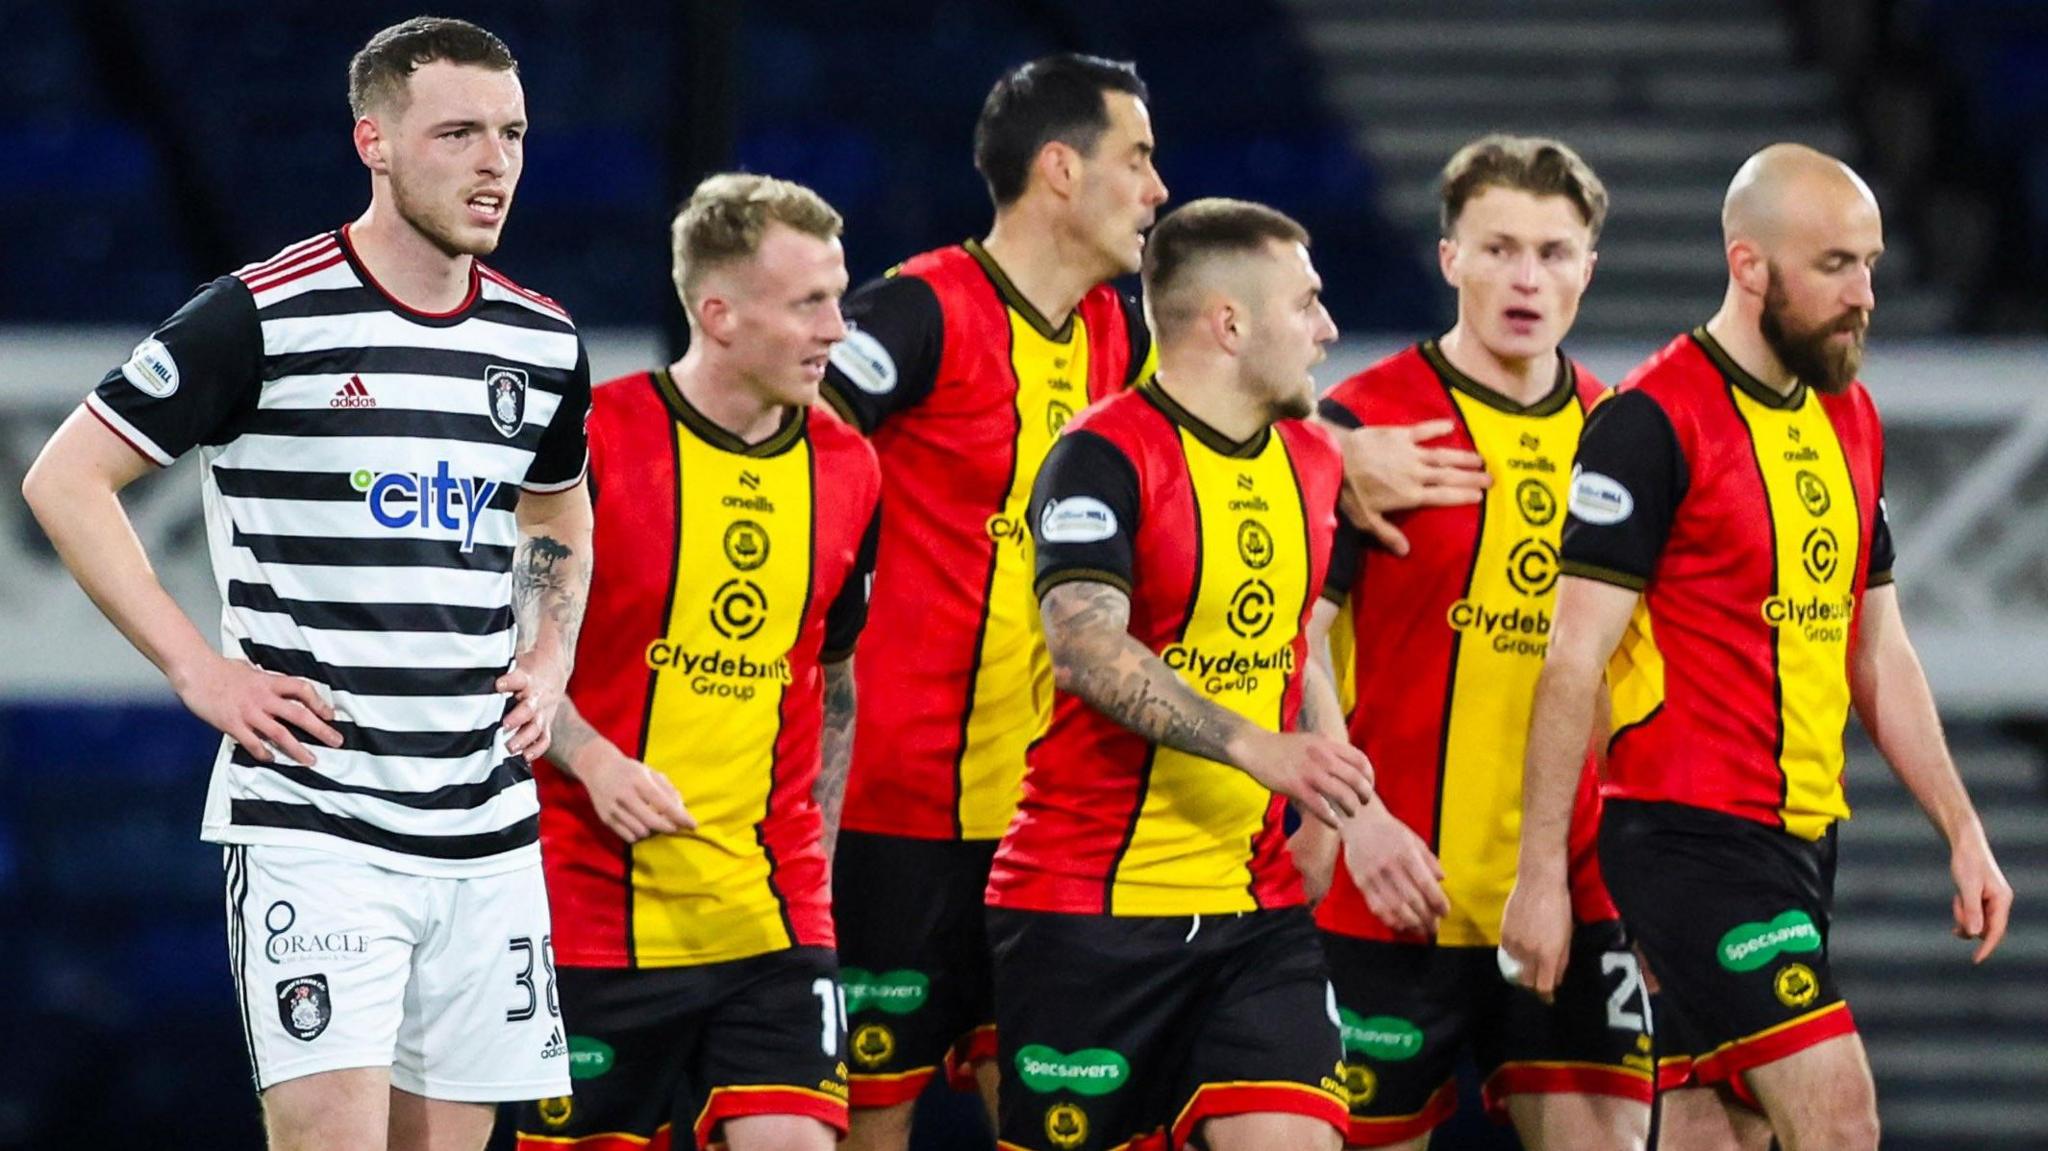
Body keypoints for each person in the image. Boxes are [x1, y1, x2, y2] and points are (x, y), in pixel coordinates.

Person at [820, 54, 1489, 1147]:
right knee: (868, 1120)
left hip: (1057, 818)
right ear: (1057, 170)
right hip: (903, 812)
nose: (1156, 187)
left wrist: (1335, 449)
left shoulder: (1110, 339)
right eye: (1134, 158)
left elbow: (1214, 404)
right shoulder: (920, 310)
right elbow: (799, 432)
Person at [21, 17, 592, 1151]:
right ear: (372, 141)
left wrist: (548, 650)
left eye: (513, 133)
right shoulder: (262, 313)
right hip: (321, 819)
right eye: (460, 132)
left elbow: (557, 506)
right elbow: (66, 476)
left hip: (484, 825)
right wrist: (201, 670)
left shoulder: (540, 340)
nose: (496, 162)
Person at [1501, 143, 2015, 1151]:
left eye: (1867, 263)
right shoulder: (1647, 423)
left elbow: (1878, 649)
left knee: (1713, 1131)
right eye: (1833, 265)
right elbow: (1569, 659)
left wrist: (1959, 825)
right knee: (1835, 1112)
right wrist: (1538, 875)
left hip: (1800, 839)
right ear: (1747, 265)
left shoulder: (1848, 415)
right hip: (1688, 840)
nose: (1863, 292)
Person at [985, 198, 1372, 1151]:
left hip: (1254, 906)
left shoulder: (1315, 460)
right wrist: (1257, 748)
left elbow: (1293, 640)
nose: (1327, 328)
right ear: (1230, 323)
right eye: (1307, 303)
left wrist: (1333, 784)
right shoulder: (1098, 455)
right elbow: (1085, 648)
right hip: (1087, 907)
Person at [1300, 135, 1660, 1151]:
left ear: (1587, 268)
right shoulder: (1365, 425)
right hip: (1386, 887)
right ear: (1449, 254)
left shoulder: (1624, 437)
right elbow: (1293, 641)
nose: (1525, 277)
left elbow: (1640, 682)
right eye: (1498, 247)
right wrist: (1356, 820)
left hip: (1576, 894)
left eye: (1552, 252)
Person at [514, 174, 881, 1151]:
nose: (836, 329)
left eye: (837, 297)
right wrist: (595, 760)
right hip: (588, 909)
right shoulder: (586, 446)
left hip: (768, 917)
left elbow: (833, 681)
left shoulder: (851, 466)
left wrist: (819, 875)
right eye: (808, 302)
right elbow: (505, 657)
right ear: (717, 312)